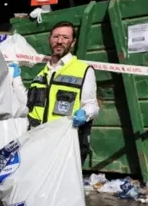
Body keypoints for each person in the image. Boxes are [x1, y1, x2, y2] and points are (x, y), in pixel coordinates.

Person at [26, 21, 99, 164]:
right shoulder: (41, 74)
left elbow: (92, 105)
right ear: (49, 39)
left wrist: (85, 114)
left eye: (65, 37)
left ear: (73, 42)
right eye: (56, 37)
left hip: (65, 144)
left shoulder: (83, 70)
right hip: (37, 141)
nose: (59, 41)